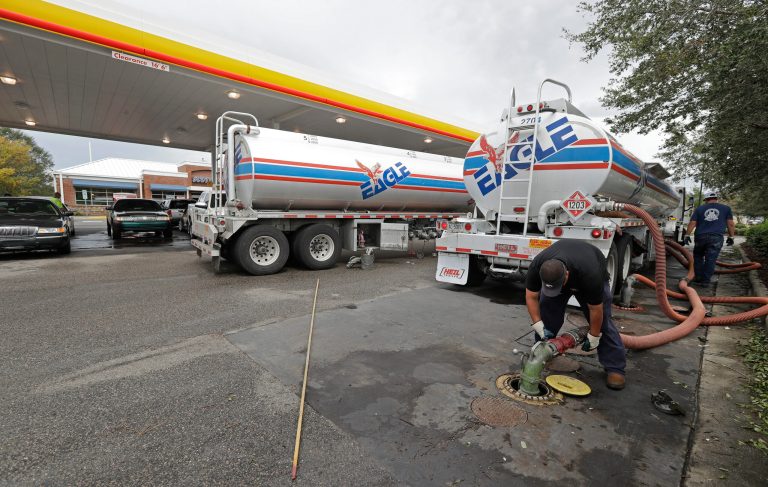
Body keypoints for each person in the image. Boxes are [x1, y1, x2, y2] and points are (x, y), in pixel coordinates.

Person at [525, 239, 627, 390]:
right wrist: (539, 325)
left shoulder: (590, 274)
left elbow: (595, 310)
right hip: (563, 273)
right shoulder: (537, 266)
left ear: (566, 275)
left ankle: (615, 368)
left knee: (603, 323)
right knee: (547, 314)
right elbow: (531, 297)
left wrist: (593, 336)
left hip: (587, 271)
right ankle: (542, 355)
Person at [684, 192, 735, 286]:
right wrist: (731, 236)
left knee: (698, 257)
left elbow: (692, 223)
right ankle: (705, 281)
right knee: (711, 259)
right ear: (716, 198)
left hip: (701, 237)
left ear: (706, 200)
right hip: (716, 237)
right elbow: (730, 224)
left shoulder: (699, 209)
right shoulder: (726, 209)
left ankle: (698, 278)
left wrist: (687, 235)